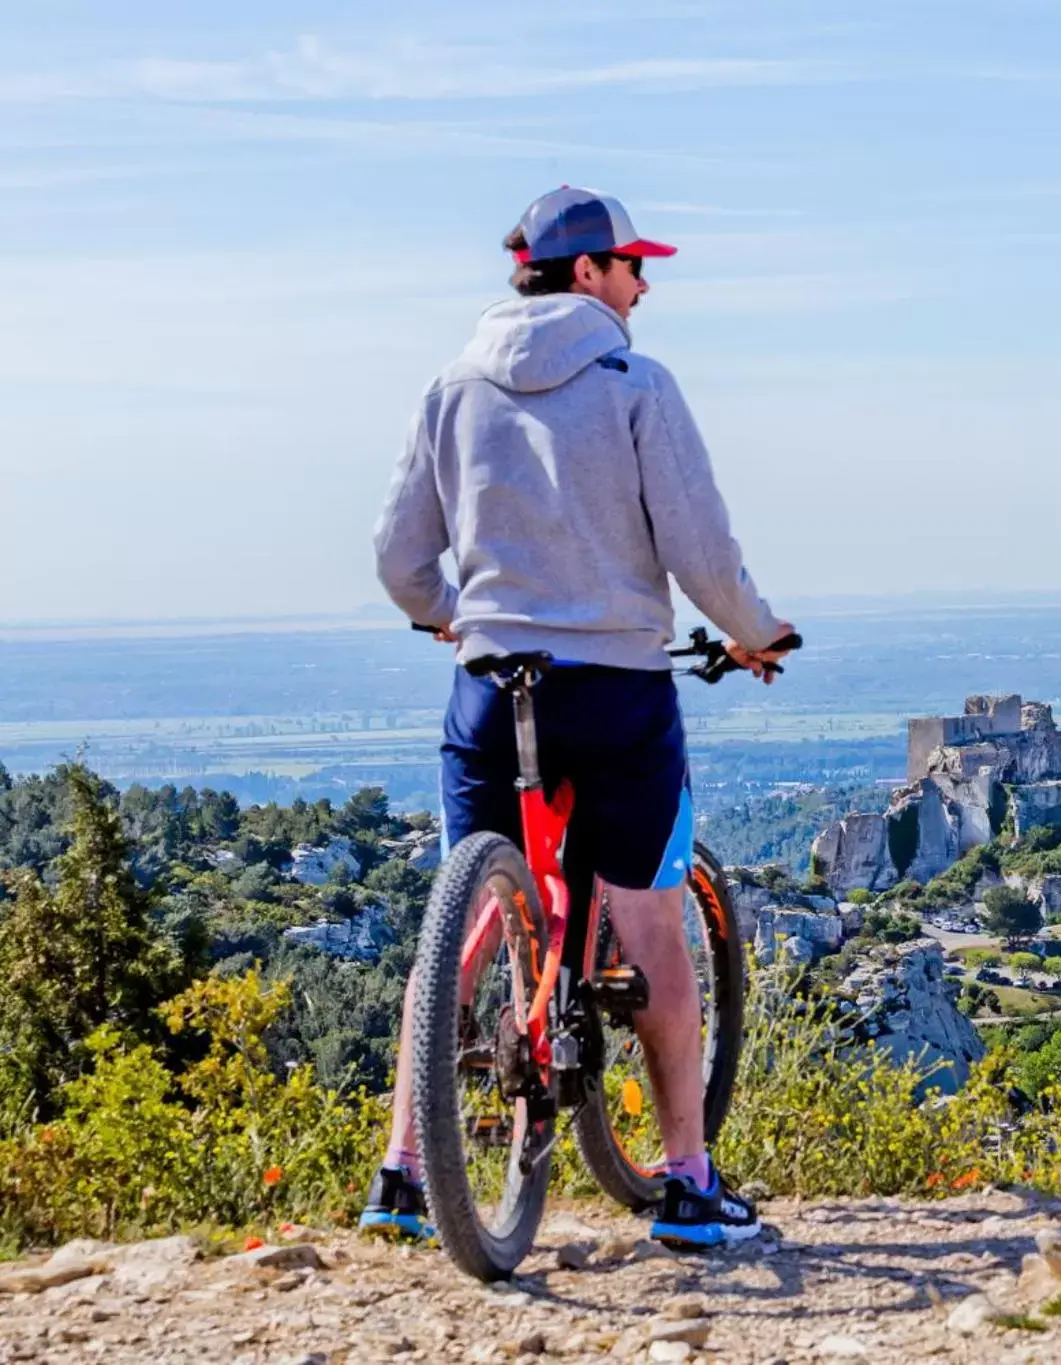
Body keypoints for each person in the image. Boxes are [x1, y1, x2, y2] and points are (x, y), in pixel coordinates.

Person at [364, 186, 794, 1248]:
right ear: (588, 272)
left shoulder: (450, 388)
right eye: (634, 266)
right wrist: (756, 631)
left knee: (461, 925)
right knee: (649, 924)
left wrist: (445, 617)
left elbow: (396, 557)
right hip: (613, 690)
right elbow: (698, 544)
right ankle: (687, 1184)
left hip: (489, 683)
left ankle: (405, 1176)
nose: (645, 285)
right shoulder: (632, 382)